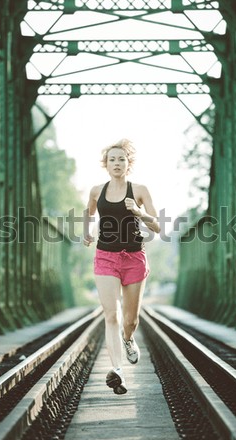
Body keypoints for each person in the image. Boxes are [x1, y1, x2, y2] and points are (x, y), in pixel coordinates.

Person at [83, 139, 160, 395]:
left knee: (130, 319)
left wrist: (139, 212)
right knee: (111, 315)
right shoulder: (96, 190)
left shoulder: (139, 189)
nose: (117, 163)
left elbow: (157, 226)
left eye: (121, 159)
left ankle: (128, 340)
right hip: (105, 256)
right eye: (112, 160)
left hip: (134, 258)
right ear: (106, 164)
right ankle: (117, 370)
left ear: (128, 164)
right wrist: (87, 232)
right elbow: (89, 212)